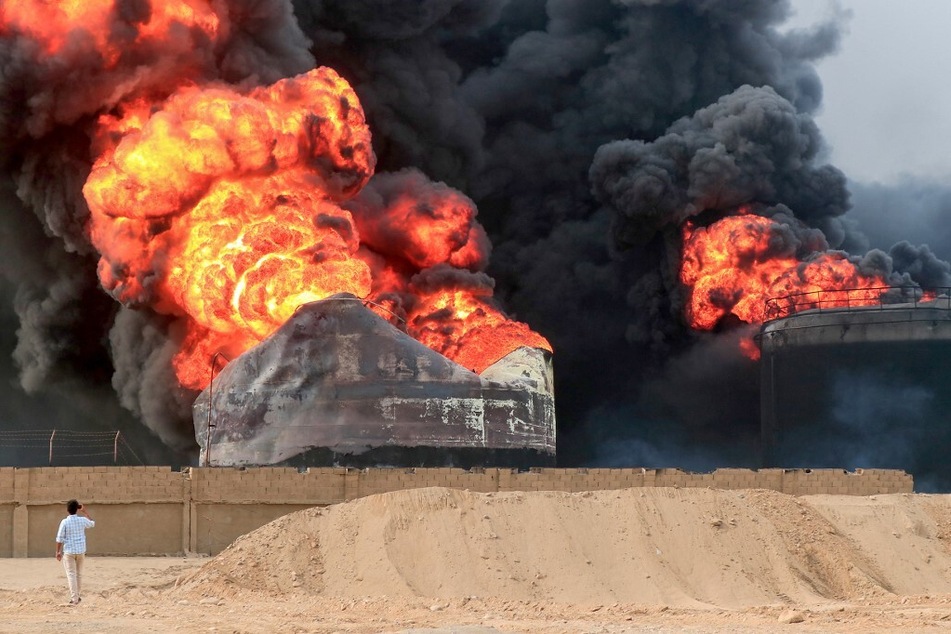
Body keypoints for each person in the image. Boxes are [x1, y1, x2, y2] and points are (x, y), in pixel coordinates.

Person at [55, 499, 95, 606]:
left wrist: (58, 551)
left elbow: (59, 538)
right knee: (79, 574)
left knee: (71, 574)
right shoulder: (82, 520)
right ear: (77, 509)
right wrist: (85, 512)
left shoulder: (65, 522)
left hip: (69, 551)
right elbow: (92, 523)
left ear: (67, 510)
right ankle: (77, 596)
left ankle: (74, 598)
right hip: (81, 551)